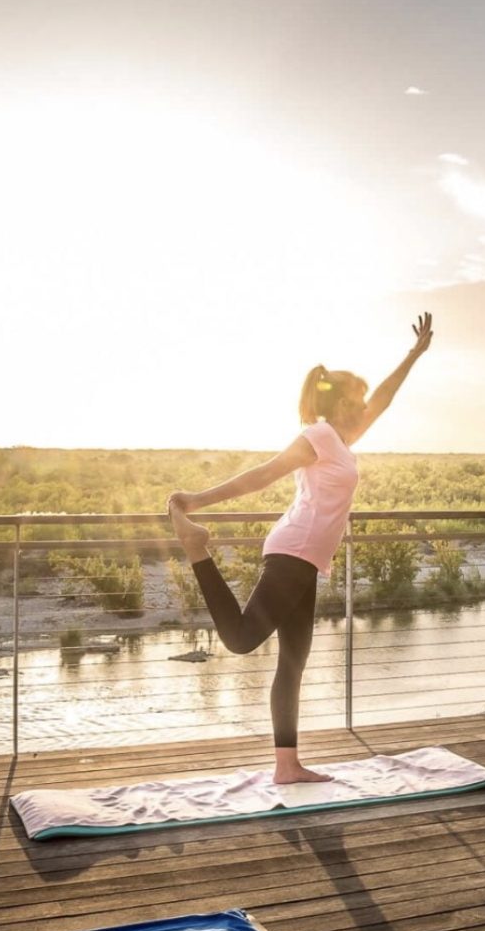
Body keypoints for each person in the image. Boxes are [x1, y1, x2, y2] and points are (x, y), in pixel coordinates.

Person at [168, 314, 433, 783]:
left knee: (294, 661)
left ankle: (287, 765)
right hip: (293, 549)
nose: (366, 401)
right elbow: (262, 475)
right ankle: (197, 550)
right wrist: (197, 501)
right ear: (345, 400)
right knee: (243, 638)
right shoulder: (318, 436)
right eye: (360, 394)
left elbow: (384, 401)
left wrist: (413, 355)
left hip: (308, 558)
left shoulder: (341, 439)